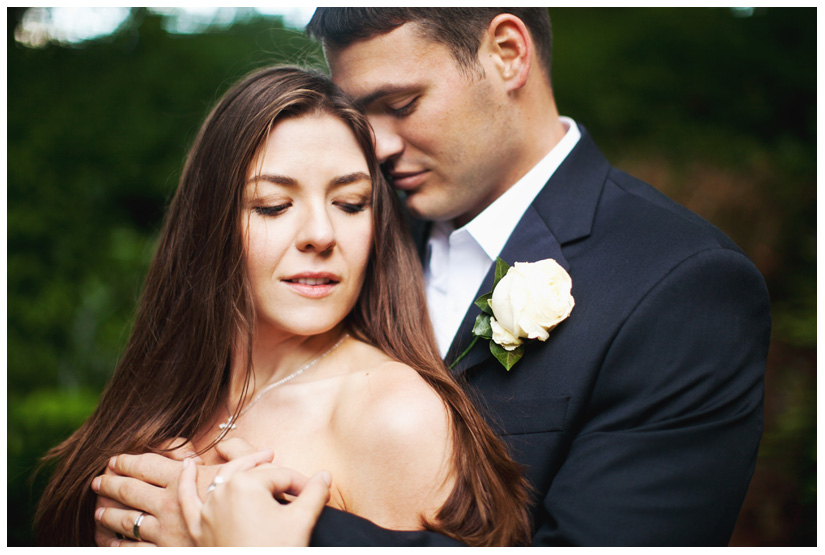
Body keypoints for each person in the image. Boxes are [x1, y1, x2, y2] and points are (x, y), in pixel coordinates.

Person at [92, 7, 771, 546]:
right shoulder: (352, 229)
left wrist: (274, 532)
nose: (377, 145)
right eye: (362, 115)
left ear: (507, 53)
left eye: (401, 103)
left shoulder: (681, 285)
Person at [35, 65, 531, 546]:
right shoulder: (169, 388)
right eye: (274, 205)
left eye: (351, 203)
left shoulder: (394, 416)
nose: (320, 234)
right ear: (212, 223)